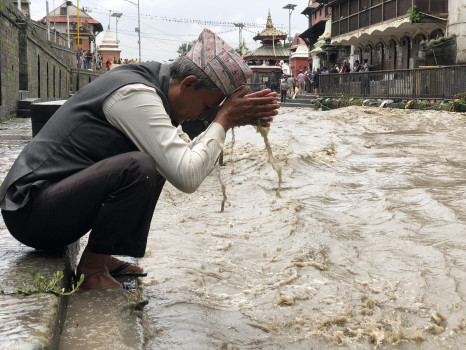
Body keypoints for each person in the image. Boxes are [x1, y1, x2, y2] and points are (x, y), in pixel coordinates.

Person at [0, 29, 279, 293]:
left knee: (158, 161)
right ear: (188, 84)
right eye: (207, 106)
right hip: (31, 213)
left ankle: (102, 256)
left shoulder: (155, 90)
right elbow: (188, 177)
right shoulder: (135, 95)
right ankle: (92, 272)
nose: (204, 116)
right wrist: (224, 119)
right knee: (141, 167)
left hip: (51, 206)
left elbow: (186, 156)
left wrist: (225, 122)